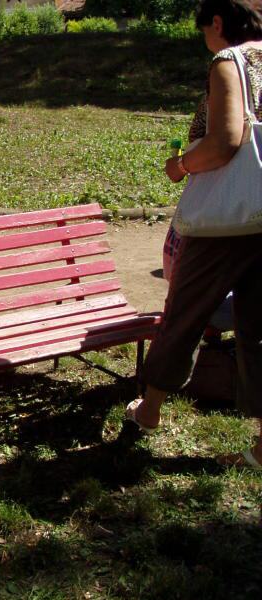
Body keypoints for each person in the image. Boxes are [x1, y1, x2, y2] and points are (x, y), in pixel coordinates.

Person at [126, 0, 262, 469]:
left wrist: (181, 165)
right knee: (259, 327)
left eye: (204, 29)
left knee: (184, 311)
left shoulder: (229, 61)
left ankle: (149, 410)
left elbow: (225, 141)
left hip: (230, 218)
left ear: (217, 23)